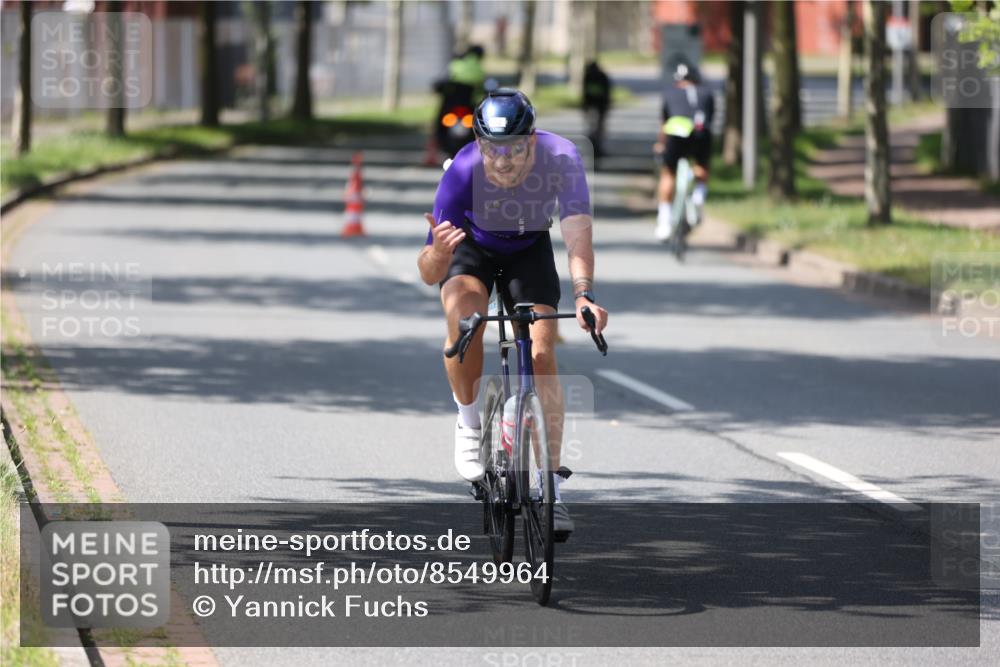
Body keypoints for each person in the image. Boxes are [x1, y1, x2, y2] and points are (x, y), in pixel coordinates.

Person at [417, 89, 609, 536]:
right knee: (464, 321)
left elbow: (577, 234)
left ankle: (552, 488)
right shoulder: (463, 170)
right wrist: (439, 254)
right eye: (492, 149)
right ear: (478, 143)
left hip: (527, 248)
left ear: (533, 141)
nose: (502, 161)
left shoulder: (562, 158)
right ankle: (469, 422)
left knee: (542, 354)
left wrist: (584, 294)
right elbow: (428, 273)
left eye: (514, 148)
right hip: (471, 248)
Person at [654, 56, 714, 241]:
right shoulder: (707, 93)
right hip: (700, 132)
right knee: (701, 165)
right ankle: (699, 196)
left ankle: (664, 221)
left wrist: (660, 144)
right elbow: (710, 118)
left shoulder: (669, 93)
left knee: (668, 173)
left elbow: (664, 123)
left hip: (676, 133)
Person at [424, 46, 487, 166]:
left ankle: (431, 155)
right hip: (469, 104)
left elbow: (442, 82)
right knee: (480, 128)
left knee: (437, 127)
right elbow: (482, 89)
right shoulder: (479, 68)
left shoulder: (455, 64)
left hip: (450, 103)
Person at [582, 60, 612, 159]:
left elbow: (585, 94)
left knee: (593, 129)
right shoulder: (602, 76)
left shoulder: (588, 76)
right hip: (600, 106)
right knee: (598, 129)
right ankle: (596, 148)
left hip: (592, 106)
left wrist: (585, 107)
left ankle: (594, 147)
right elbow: (607, 93)